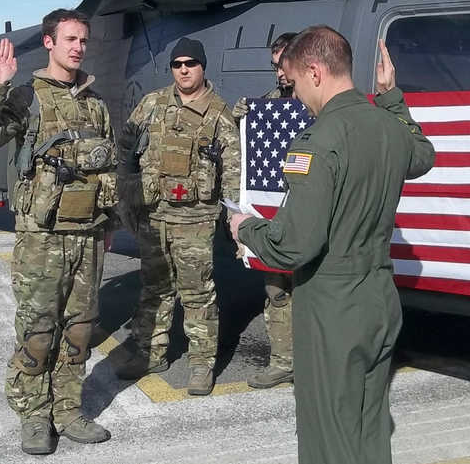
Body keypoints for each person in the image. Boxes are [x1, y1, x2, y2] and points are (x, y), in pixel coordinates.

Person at [229, 27, 434, 464]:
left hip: (332, 303)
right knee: (369, 422)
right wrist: (392, 95)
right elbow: (422, 155)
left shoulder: (319, 141)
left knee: (329, 435)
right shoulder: (387, 125)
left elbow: (292, 246)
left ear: (316, 72)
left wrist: (246, 228)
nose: (299, 97)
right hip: (380, 295)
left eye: (298, 84)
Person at [0, 9, 118, 456]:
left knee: (80, 328)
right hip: (42, 237)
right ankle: (34, 413)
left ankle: (68, 409)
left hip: (88, 236)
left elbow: (106, 168)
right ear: (49, 43)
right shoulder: (27, 97)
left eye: (83, 40)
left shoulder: (95, 103)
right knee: (38, 329)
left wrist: (107, 224)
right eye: (70, 39)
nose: (78, 47)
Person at [113, 37, 241, 395]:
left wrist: (234, 215)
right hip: (155, 217)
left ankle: (201, 364)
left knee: (197, 293)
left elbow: (232, 169)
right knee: (154, 289)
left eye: (190, 63)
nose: (183, 69)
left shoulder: (218, 113)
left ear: (202, 66)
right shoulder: (152, 104)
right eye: (177, 64)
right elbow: (126, 144)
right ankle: (150, 353)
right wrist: (126, 190)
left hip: (195, 220)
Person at [231, 31, 298, 389]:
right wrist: (241, 120)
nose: (279, 74)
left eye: (284, 65)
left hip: (310, 211)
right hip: (277, 211)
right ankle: (283, 360)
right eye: (275, 66)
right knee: (276, 288)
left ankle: (318, 360)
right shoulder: (269, 103)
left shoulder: (323, 101)